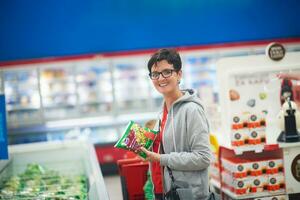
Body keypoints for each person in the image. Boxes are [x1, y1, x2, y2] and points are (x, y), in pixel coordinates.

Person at [140, 48, 212, 200]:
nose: (161, 78)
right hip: (166, 191)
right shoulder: (162, 112)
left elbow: (203, 157)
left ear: (179, 74)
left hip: (190, 195)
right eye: (155, 74)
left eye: (167, 72)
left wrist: (161, 158)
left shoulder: (192, 110)